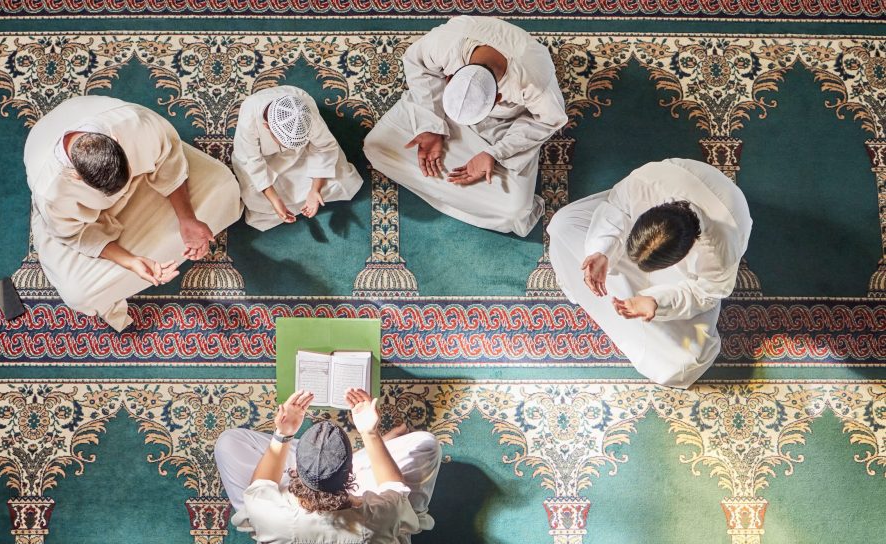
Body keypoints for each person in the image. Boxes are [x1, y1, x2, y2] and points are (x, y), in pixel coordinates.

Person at [24, 95, 243, 331]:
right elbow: (75, 234)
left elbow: (168, 161)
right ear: (76, 176)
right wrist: (130, 262)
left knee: (225, 185)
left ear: (115, 139)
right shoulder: (52, 192)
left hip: (144, 181)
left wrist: (186, 218)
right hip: (81, 219)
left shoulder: (136, 124)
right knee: (79, 295)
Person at [547, 158, 753, 388]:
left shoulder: (721, 249)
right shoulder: (645, 181)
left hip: (687, 278)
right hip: (650, 208)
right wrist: (601, 251)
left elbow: (705, 294)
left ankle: (633, 296)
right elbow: (618, 208)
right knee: (562, 225)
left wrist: (657, 303)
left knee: (683, 363)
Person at [364, 15, 568, 236]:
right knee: (376, 148)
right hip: (442, 108)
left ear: (498, 98)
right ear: (450, 77)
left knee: (515, 212)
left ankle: (480, 180)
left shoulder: (534, 82)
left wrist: (494, 153)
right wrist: (430, 126)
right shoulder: (445, 43)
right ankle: (475, 191)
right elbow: (418, 64)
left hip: (501, 128)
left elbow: (549, 120)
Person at [214, 389, 442, 544]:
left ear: (296, 472)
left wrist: (283, 435)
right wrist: (370, 433)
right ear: (349, 475)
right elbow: (395, 489)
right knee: (427, 445)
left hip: (282, 519)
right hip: (364, 523)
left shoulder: (269, 513)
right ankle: (359, 458)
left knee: (228, 443)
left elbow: (260, 485)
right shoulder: (379, 515)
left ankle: (335, 459)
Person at [232, 86, 363, 230]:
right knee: (257, 198)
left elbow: (324, 147)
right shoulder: (249, 117)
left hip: (302, 152)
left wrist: (315, 190)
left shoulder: (306, 113)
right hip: (263, 158)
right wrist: (276, 201)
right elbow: (251, 161)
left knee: (342, 179)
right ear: (266, 126)